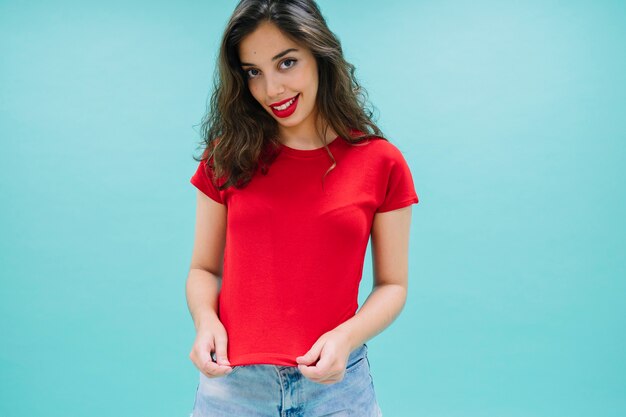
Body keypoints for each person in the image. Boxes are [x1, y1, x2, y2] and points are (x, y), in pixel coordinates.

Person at [186, 0, 419, 415]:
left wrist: (345, 338)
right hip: (234, 388)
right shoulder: (227, 156)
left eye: (287, 63)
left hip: (338, 386)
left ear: (319, 55)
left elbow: (392, 285)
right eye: (253, 72)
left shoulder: (381, 163)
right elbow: (203, 269)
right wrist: (207, 323)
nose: (271, 89)